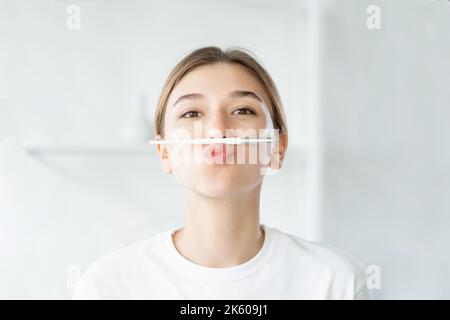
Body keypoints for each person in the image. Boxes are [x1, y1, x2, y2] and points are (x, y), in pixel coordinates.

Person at [73, 46, 369, 299]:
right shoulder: (107, 286)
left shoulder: (335, 283)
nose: (217, 130)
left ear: (277, 149)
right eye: (192, 113)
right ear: (164, 152)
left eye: (242, 111)